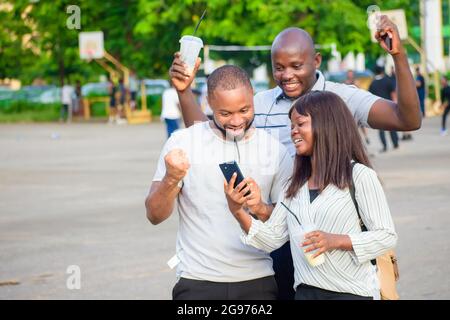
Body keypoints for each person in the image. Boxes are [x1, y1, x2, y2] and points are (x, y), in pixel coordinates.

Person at [169, 16, 420, 300]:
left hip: (335, 238)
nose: (287, 75)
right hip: (281, 230)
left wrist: (398, 56)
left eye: (297, 66)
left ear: (317, 60)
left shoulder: (340, 99)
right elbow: (209, 134)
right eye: (279, 68)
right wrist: (184, 92)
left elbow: (407, 118)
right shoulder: (258, 105)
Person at [231, 91, 397, 300]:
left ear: (327, 125)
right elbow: (272, 239)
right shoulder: (293, 186)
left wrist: (335, 241)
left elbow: (387, 236)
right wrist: (238, 211)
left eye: (300, 124)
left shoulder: (359, 176)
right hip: (304, 293)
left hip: (352, 294)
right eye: (292, 126)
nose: (293, 132)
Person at [145, 65, 293, 300]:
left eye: (244, 110)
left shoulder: (274, 150)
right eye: (225, 113)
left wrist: (258, 207)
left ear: (253, 96)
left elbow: (287, 222)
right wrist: (171, 178)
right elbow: (154, 215)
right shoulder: (182, 143)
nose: (236, 121)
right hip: (197, 280)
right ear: (208, 103)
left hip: (258, 281)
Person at [368, 65, 399, 153]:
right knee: (392, 126)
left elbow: (370, 96)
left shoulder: (373, 83)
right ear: (382, 71)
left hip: (378, 108)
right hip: (389, 106)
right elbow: (393, 93)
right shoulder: (387, 81)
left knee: (381, 129)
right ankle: (395, 143)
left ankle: (384, 145)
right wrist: (396, 104)